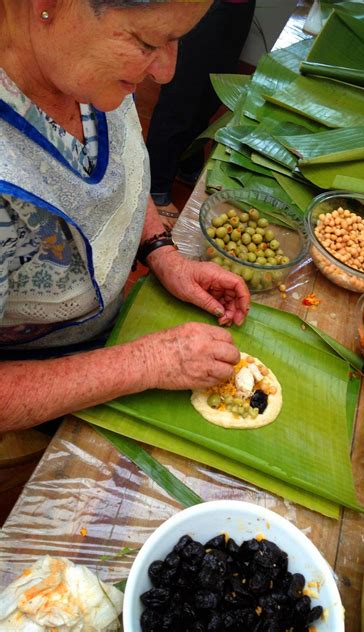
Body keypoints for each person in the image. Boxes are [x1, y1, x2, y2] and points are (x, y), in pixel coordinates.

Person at [0, 0, 250, 432]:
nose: (165, 72)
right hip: (38, 385)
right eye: (148, 41)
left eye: (176, 39)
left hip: (107, 329)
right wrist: (150, 361)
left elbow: (118, 173)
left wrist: (162, 253)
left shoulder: (81, 70)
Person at [147, 0, 255, 220]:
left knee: (210, 94)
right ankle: (154, 186)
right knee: (181, 95)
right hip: (205, 5)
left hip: (238, 6)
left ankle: (187, 161)